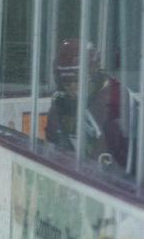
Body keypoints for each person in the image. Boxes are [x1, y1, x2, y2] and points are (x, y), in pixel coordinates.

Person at [45, 39, 131, 173]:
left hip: (112, 182)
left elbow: (117, 156)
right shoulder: (60, 100)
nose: (73, 88)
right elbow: (52, 140)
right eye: (67, 82)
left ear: (94, 73)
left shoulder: (115, 98)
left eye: (78, 81)